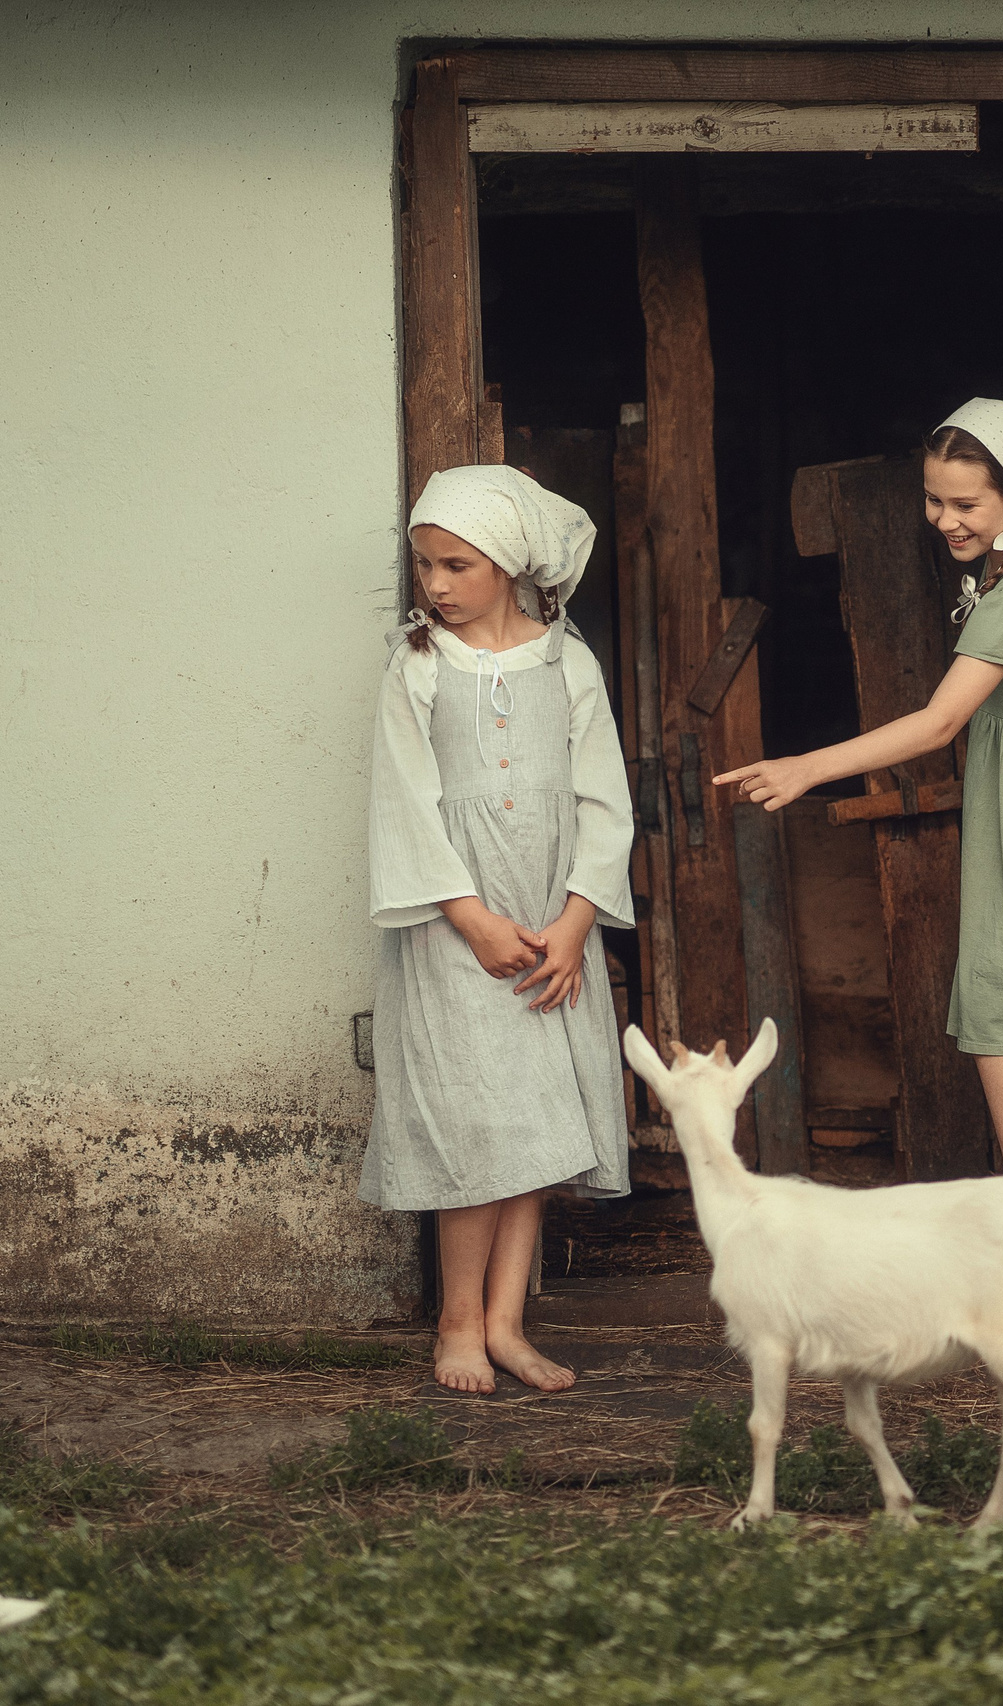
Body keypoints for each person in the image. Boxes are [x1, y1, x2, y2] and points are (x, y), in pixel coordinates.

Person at [716, 400, 1003, 1209]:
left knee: (1000, 1027)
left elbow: (941, 719)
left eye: (966, 504)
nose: (945, 519)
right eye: (934, 500)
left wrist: (808, 766)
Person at [362, 465, 636, 1394]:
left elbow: (605, 799)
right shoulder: (418, 669)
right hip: (459, 927)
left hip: (550, 922)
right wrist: (471, 918)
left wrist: (575, 922)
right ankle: (457, 1323)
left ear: (510, 567)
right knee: (475, 1126)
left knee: (538, 1123)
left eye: (456, 564)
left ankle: (510, 1322)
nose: (434, 585)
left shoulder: (571, 662)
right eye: (424, 566)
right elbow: (405, 804)